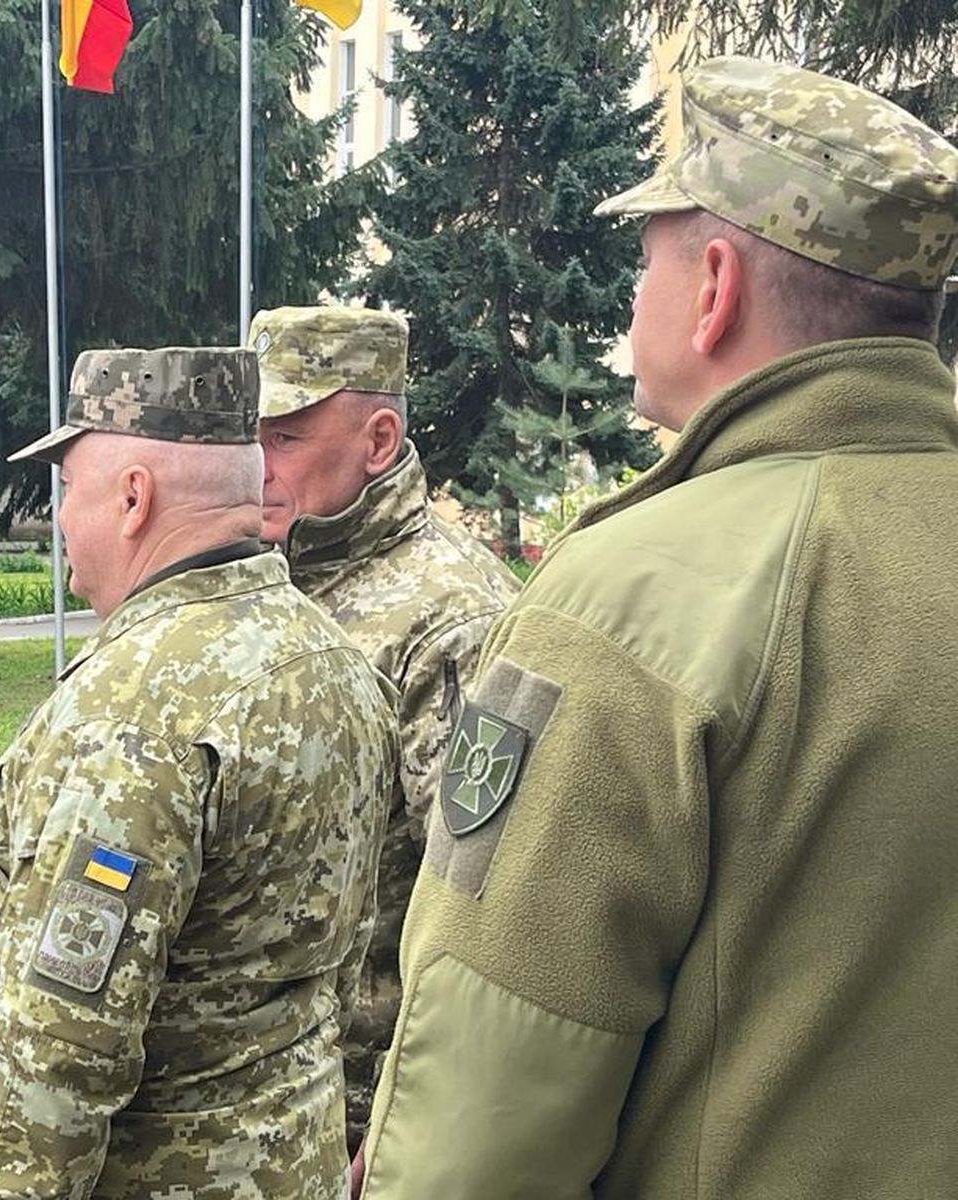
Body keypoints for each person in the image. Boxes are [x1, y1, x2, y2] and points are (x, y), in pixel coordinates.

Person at [357, 56, 958, 1199]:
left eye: (646, 260)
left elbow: (485, 1117)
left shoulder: (638, 596)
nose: (634, 298)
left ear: (714, 287)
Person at [0, 346, 398, 1199]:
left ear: (133, 498)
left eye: (67, 490)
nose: (62, 520)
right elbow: (337, 968)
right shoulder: (335, 662)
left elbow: (56, 1057)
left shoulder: (131, 716)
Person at [251, 303, 517, 1153]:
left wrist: (412, 1120)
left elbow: (483, 909)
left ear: (378, 440)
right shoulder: (277, 574)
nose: (257, 464)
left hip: (365, 1110)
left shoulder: (453, 617)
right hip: (273, 1092)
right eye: (249, 434)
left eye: (286, 437)